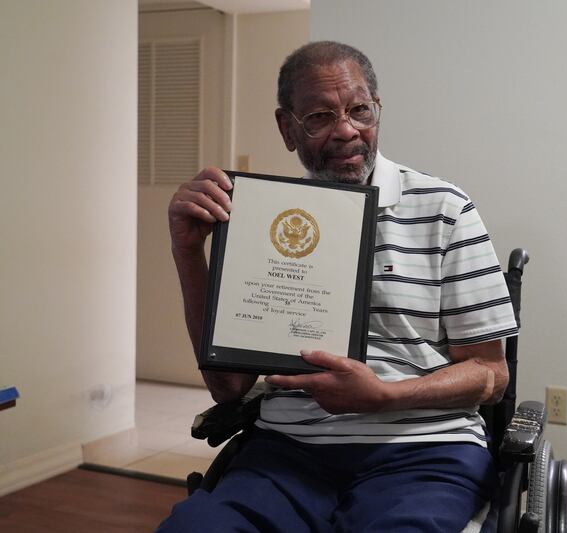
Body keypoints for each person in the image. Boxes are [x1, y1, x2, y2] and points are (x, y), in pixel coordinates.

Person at [160, 41, 518, 532]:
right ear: (288, 128)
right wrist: (186, 251)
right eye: (320, 117)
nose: (347, 130)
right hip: (287, 454)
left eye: (359, 110)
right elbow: (228, 388)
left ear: (378, 110)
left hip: (423, 450)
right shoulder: (263, 222)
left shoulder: (445, 209)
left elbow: (491, 375)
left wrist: (385, 397)